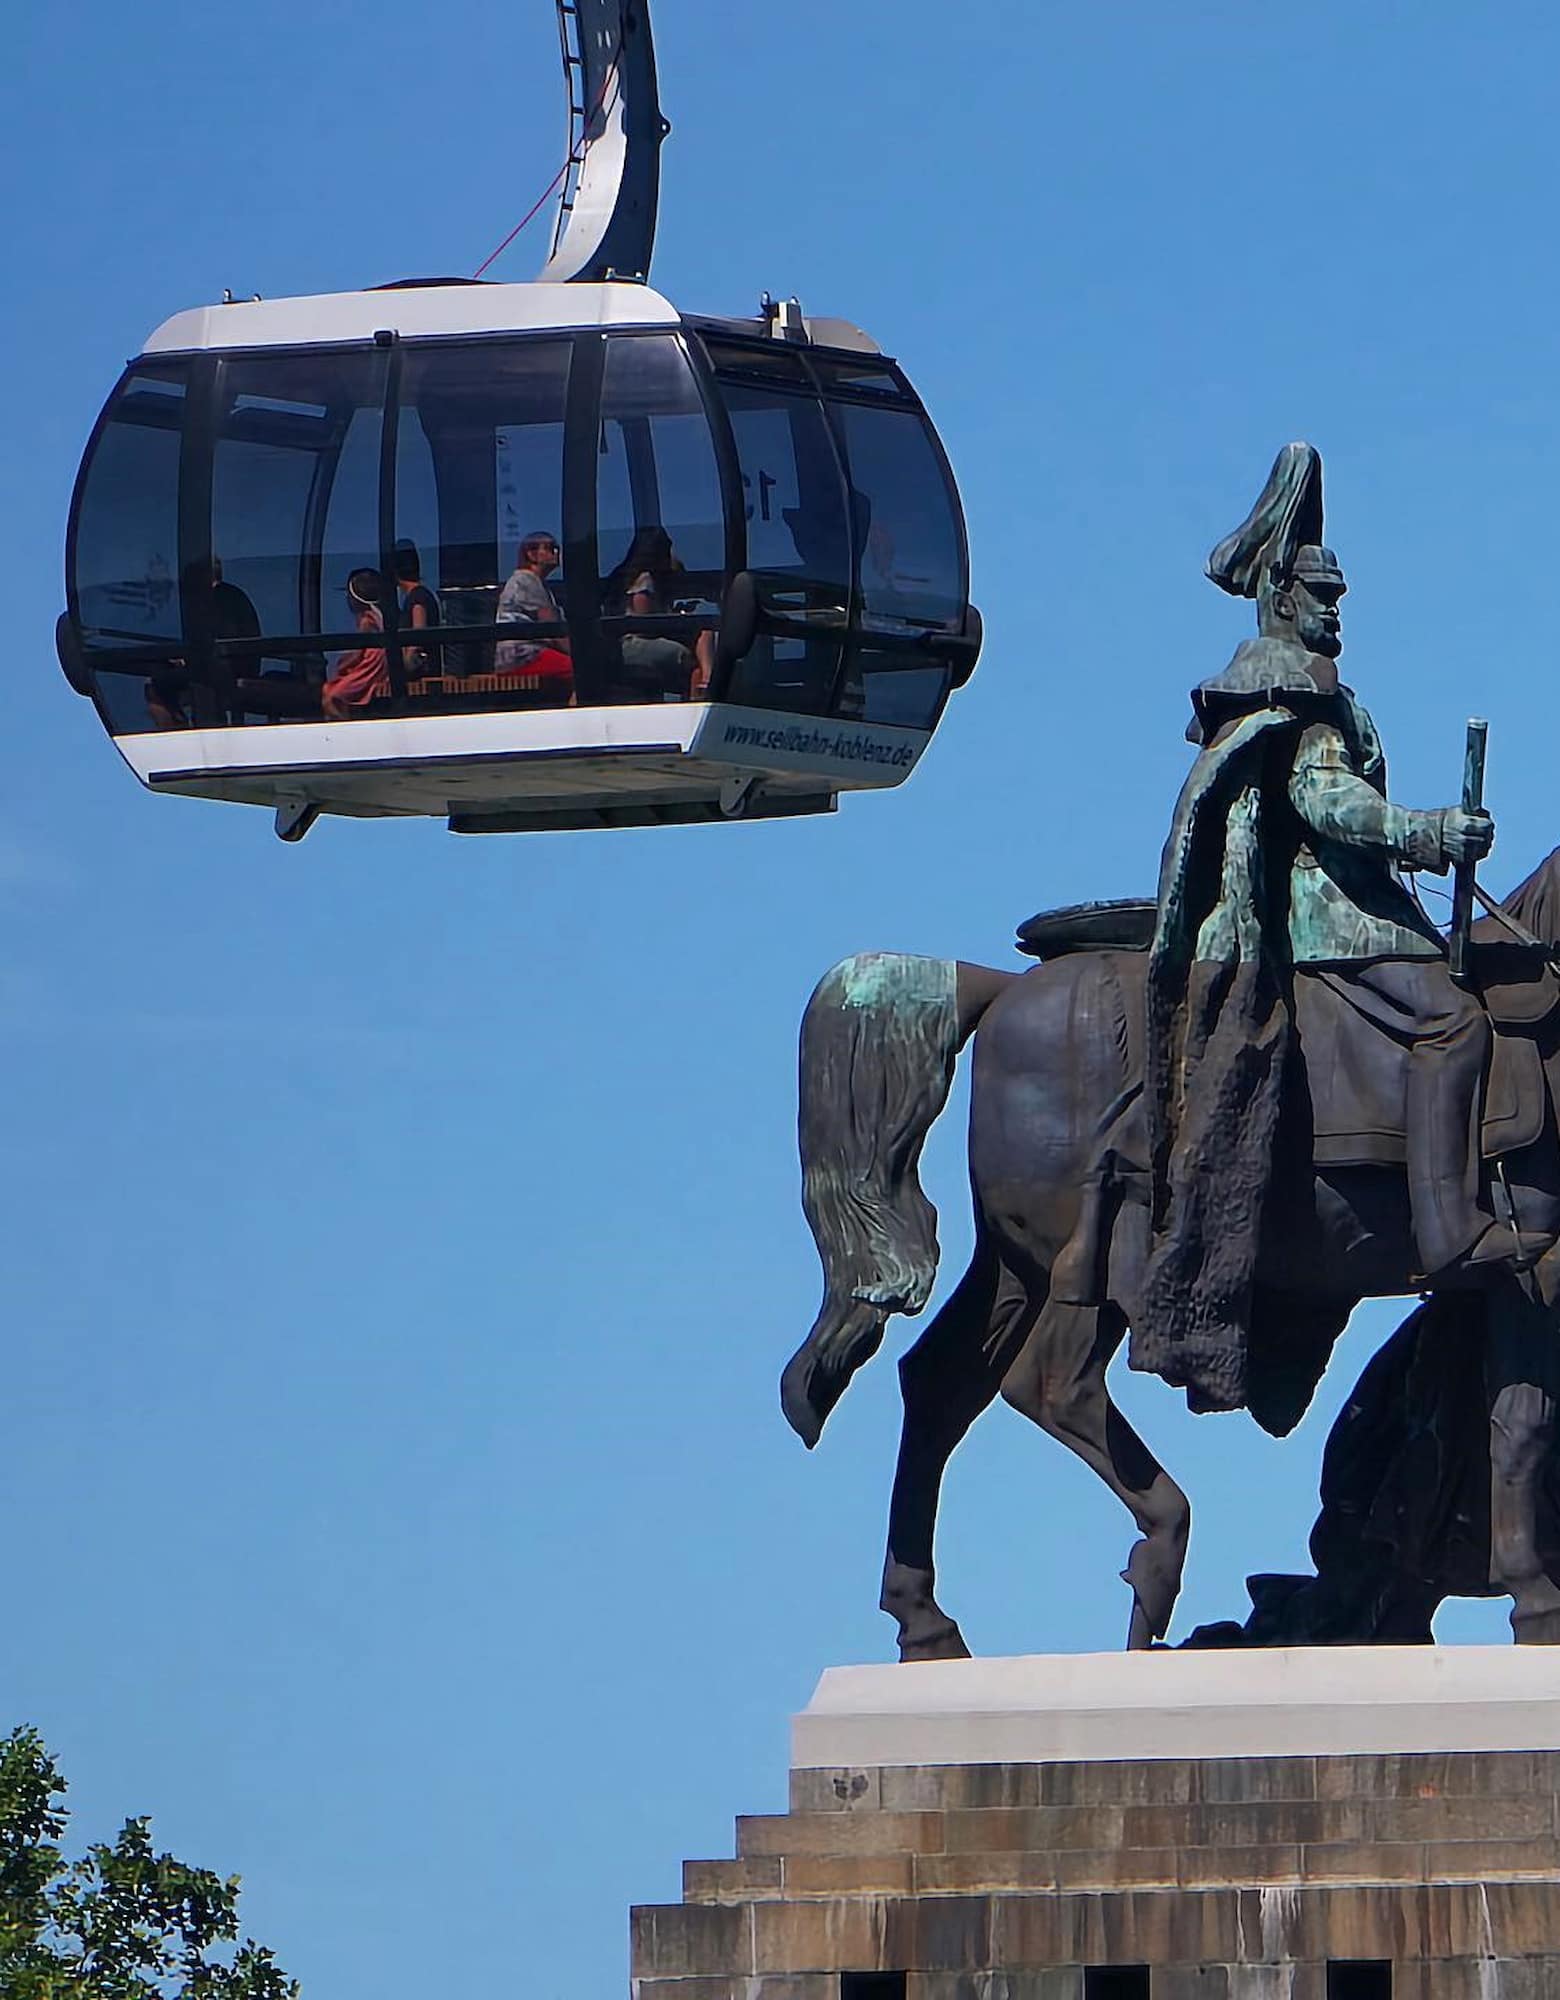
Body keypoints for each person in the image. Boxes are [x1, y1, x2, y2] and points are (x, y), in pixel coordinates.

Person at [1139, 441, 1503, 1411]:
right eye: (1321, 593)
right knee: (1454, 1022)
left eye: (1341, 594)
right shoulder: (1288, 684)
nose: (1336, 608)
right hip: (1328, 918)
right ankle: (1450, 1218)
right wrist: (1429, 830)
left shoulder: (1305, 678)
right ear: (1281, 598)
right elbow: (1323, 798)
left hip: (1357, 905)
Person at [605, 527, 715, 700]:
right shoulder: (644, 580)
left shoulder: (625, 575)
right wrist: (674, 620)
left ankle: (707, 680)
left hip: (632, 641)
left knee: (702, 632)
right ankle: (702, 692)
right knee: (690, 660)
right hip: (631, 643)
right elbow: (643, 623)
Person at [495, 531, 573, 691]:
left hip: (527, 654)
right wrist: (579, 652)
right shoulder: (526, 580)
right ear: (531, 554)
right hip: (522, 657)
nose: (556, 553)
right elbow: (552, 627)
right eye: (551, 548)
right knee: (582, 671)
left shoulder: (537, 583)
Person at [321, 569, 389, 719]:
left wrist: (342, 663)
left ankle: (344, 728)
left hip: (370, 667)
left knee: (331, 697)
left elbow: (358, 653)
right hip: (373, 664)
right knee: (329, 690)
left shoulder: (367, 621)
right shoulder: (377, 615)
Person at [392, 540, 441, 678]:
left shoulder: (417, 598)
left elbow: (417, 637)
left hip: (422, 679)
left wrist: (405, 667)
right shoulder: (421, 595)